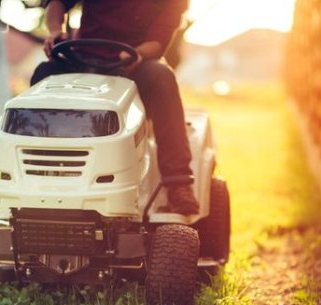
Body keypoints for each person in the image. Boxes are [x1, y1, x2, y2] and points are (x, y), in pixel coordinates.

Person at [30, 0, 200, 216]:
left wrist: (137, 55)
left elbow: (157, 43)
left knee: (163, 76)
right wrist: (56, 31)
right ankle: (40, 173)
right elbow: (56, 4)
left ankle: (178, 184)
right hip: (82, 59)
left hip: (133, 63)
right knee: (44, 74)